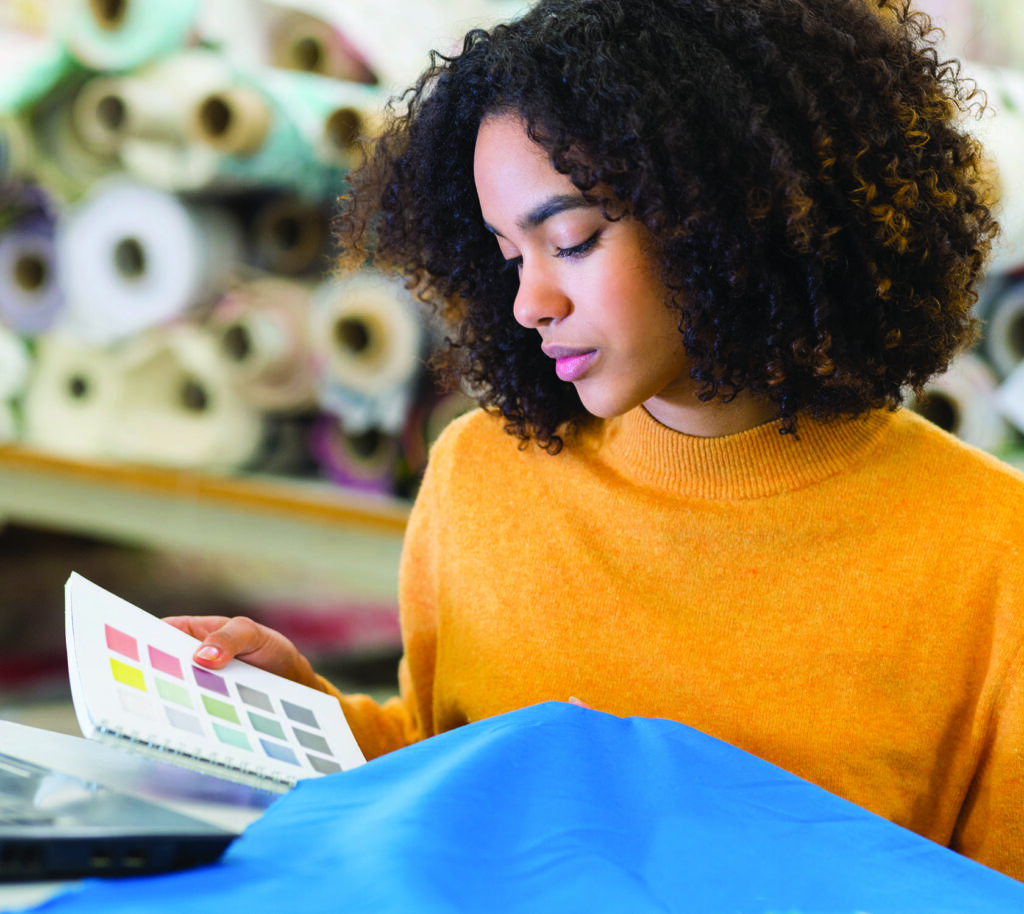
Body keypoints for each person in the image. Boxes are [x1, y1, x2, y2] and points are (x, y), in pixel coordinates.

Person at [167, 0, 1024, 881]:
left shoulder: (993, 552)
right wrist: (307, 720)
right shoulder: (481, 477)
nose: (528, 303)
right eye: (508, 257)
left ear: (734, 211)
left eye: (570, 240)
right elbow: (442, 771)